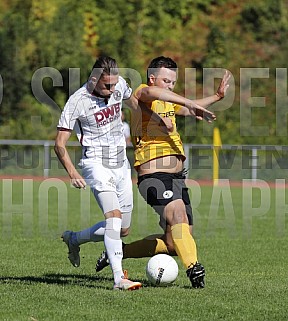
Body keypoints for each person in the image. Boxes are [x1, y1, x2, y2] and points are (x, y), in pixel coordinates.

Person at [95, 56, 230, 289]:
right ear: (152, 79)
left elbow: (188, 109)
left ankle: (117, 252)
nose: (170, 86)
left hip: (177, 177)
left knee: (173, 243)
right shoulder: (143, 93)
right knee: (178, 214)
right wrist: (189, 103)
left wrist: (215, 98)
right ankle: (194, 269)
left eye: (173, 82)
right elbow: (159, 96)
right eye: (166, 81)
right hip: (154, 176)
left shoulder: (168, 102)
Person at [54, 56, 143, 290]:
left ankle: (74, 239)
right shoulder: (77, 101)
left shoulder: (119, 85)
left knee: (122, 229)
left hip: (121, 164)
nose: (113, 89)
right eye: (107, 86)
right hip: (95, 164)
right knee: (112, 217)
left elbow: (134, 105)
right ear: (94, 79)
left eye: (115, 85)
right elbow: (60, 143)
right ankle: (118, 279)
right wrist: (72, 172)